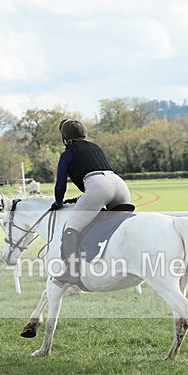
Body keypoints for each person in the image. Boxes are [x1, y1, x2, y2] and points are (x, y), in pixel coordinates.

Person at [52, 118, 131, 284]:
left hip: (98, 186)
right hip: (120, 184)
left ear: (64, 138)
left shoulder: (68, 153)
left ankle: (72, 272)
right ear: (84, 134)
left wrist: (58, 202)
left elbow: (60, 184)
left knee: (70, 229)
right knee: (118, 226)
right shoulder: (96, 147)